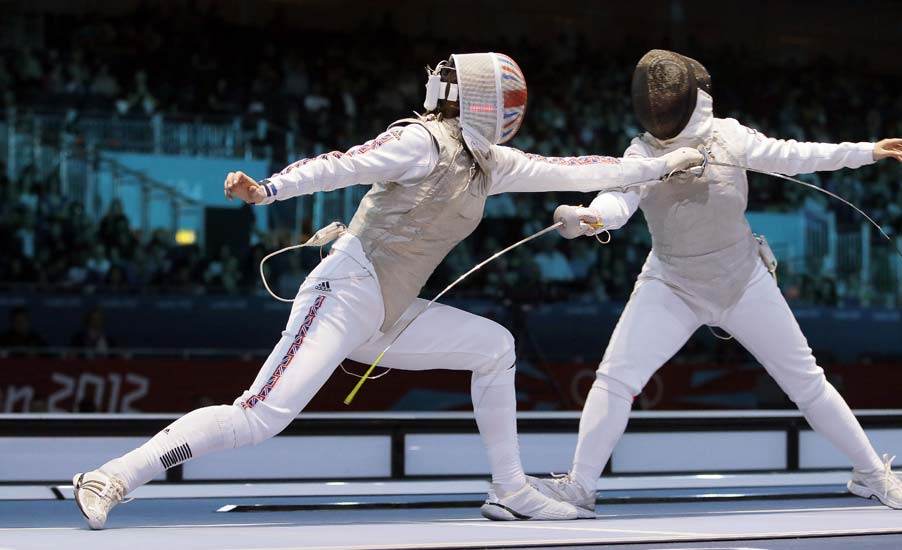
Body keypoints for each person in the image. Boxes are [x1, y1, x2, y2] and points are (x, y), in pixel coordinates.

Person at [72, 52, 704, 529]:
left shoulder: (492, 164)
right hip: (345, 292)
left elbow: (582, 169)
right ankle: (110, 477)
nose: (516, 109)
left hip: (388, 313)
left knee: (495, 347)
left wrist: (663, 164)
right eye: (507, 97)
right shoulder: (418, 141)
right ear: (485, 100)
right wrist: (267, 190)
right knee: (258, 417)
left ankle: (510, 489)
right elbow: (341, 163)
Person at [540, 49, 902, 516]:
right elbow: (619, 199)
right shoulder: (642, 152)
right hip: (671, 283)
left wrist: (864, 151)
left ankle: (871, 474)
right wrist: (591, 217)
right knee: (614, 379)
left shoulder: (731, 138)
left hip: (743, 280)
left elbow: (796, 155)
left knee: (807, 381)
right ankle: (580, 487)